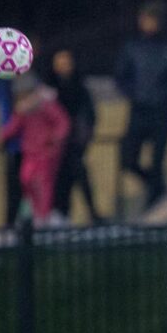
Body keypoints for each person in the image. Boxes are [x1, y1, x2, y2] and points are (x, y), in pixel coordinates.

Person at [115, 0, 167, 207]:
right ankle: (155, 185)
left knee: (157, 158)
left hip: (162, 110)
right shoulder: (133, 47)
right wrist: (134, 93)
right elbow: (121, 77)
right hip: (139, 110)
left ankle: (154, 199)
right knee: (128, 159)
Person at [0, 72, 71, 226]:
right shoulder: (24, 110)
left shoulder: (46, 105)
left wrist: (55, 138)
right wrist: (2, 136)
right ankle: (37, 212)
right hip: (30, 152)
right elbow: (14, 125)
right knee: (26, 178)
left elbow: (62, 122)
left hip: (46, 152)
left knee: (43, 184)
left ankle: (43, 215)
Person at [48, 49, 103, 225]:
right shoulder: (50, 90)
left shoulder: (80, 87)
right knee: (62, 182)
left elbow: (89, 114)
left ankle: (91, 214)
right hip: (57, 145)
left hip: (74, 143)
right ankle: (63, 214)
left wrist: (84, 135)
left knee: (79, 176)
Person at [0, 79, 23, 226]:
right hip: (15, 146)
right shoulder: (4, 83)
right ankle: (11, 224)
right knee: (14, 189)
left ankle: (13, 224)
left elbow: (19, 113)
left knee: (24, 187)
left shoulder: (22, 80)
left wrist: (4, 135)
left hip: (25, 146)